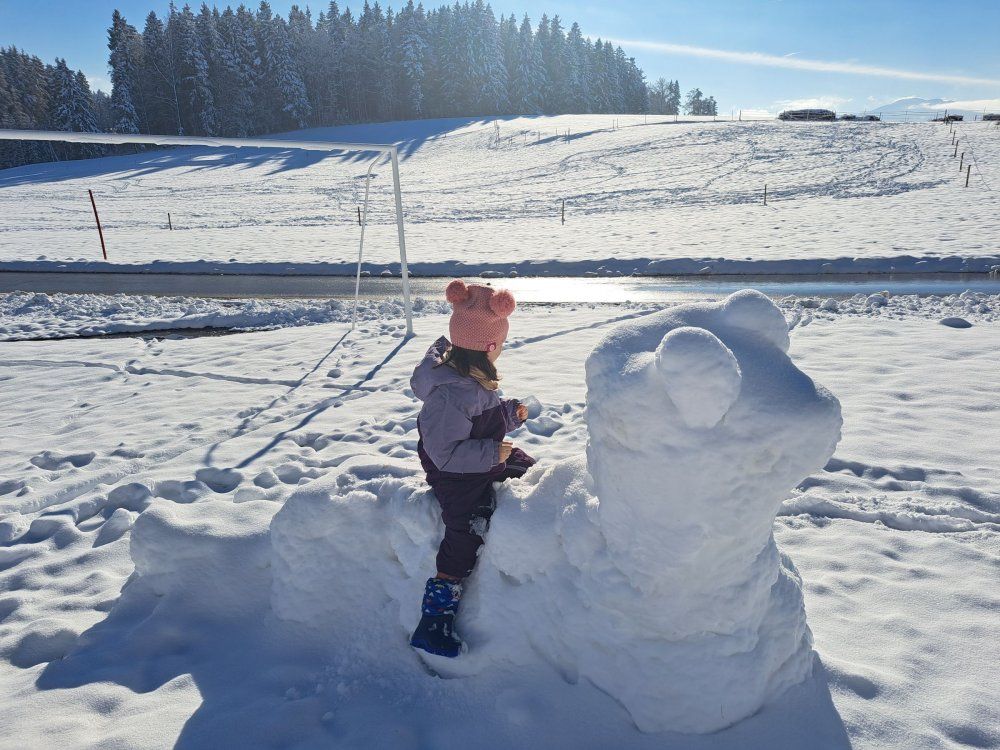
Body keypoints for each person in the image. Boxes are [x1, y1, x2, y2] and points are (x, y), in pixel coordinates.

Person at [408, 279, 536, 657]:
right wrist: (489, 454)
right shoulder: (452, 393)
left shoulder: (471, 378)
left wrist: (509, 414)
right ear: (490, 346)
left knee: (526, 467)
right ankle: (434, 619)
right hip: (454, 474)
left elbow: (482, 417)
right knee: (467, 526)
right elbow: (445, 453)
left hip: (478, 456)